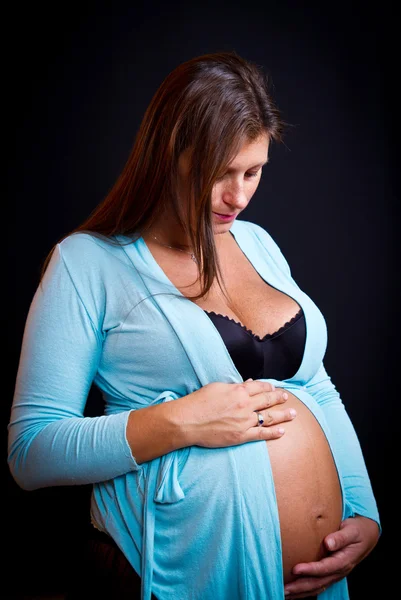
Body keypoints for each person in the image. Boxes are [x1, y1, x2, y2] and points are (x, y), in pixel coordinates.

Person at [8, 50, 381, 600]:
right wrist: (182, 421)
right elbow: (31, 451)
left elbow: (314, 387)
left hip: (318, 583)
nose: (238, 196)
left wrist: (363, 511)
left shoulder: (257, 244)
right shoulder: (88, 264)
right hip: (182, 571)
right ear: (169, 155)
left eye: (253, 172)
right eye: (218, 174)